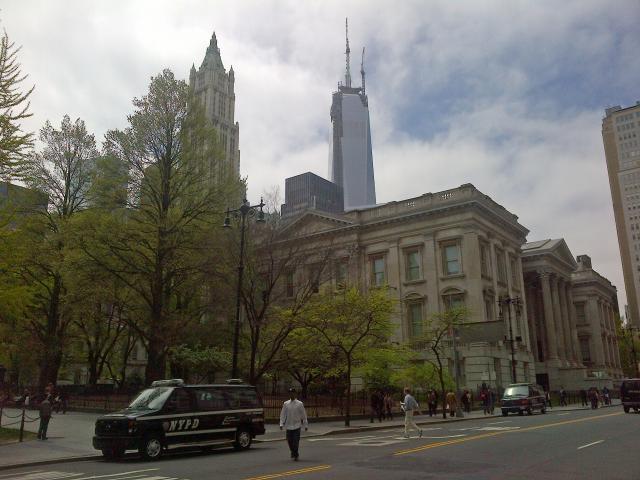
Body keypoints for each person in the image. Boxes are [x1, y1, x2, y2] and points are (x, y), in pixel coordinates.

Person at [279, 388, 308, 461]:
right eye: (290, 393)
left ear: (295, 394)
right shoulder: (286, 403)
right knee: (289, 441)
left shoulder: (299, 404)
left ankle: (295, 454)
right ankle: (293, 452)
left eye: (293, 393)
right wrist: (281, 423)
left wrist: (305, 425)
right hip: (288, 426)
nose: (291, 394)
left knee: (295, 441)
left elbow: (303, 415)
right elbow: (283, 414)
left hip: (297, 426)